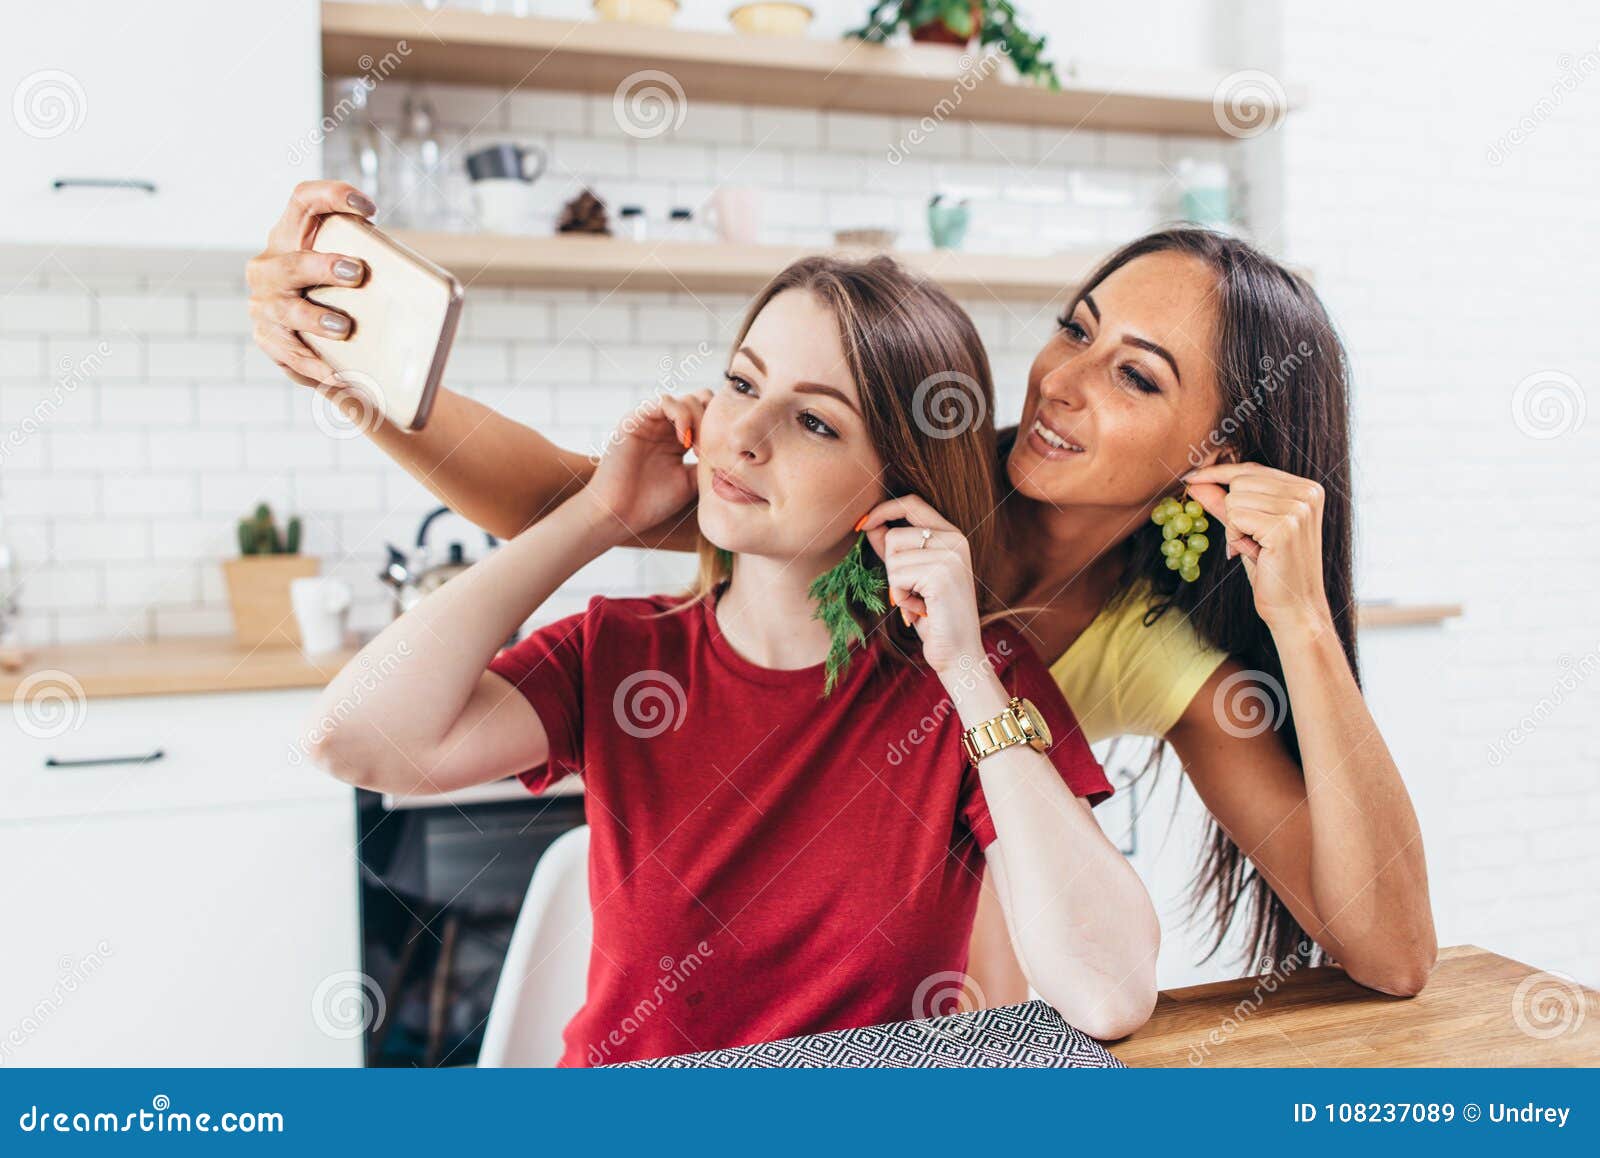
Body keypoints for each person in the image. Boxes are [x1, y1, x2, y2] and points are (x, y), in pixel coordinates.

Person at [255, 181, 1435, 1001]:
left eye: (1133, 375)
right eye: (1076, 330)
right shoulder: (906, 485)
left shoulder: (1155, 651)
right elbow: (575, 496)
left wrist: (1301, 619)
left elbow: (1386, 952)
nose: (1064, 381)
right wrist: (347, 365)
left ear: (1213, 457)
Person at [304, 253, 1160, 1065]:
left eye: (815, 420)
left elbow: (1108, 991)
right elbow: (355, 739)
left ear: (901, 486)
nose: (742, 434)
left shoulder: (976, 679)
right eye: (743, 383)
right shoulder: (624, 653)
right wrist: (602, 512)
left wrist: (968, 672)